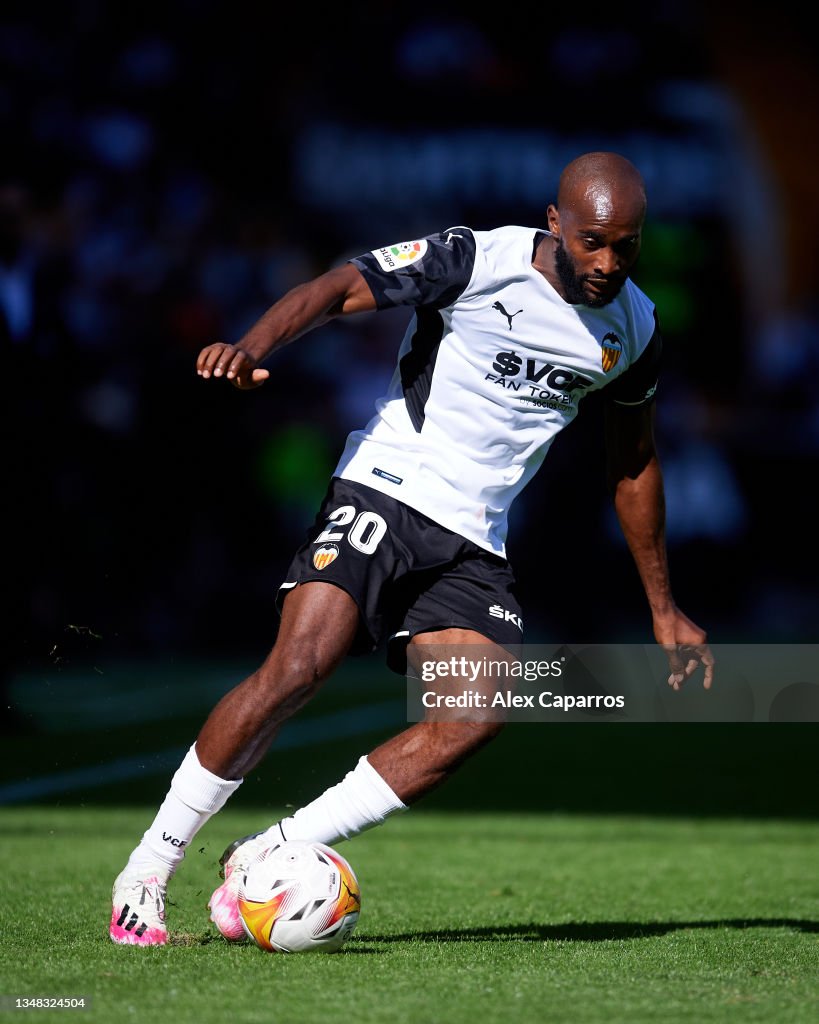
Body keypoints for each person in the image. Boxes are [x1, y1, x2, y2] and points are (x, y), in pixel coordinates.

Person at [109, 151, 715, 945]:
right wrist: (255, 345)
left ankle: (276, 848)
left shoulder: (634, 329)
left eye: (625, 246)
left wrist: (663, 608)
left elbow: (633, 465)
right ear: (554, 222)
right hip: (387, 486)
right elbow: (339, 288)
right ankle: (147, 871)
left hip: (475, 537)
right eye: (592, 241)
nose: (606, 263)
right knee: (298, 667)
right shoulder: (477, 259)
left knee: (474, 715)